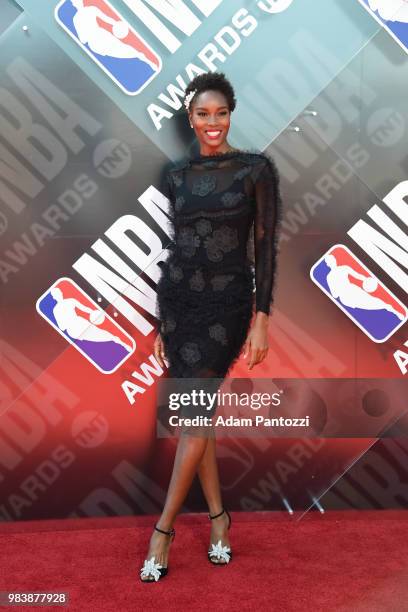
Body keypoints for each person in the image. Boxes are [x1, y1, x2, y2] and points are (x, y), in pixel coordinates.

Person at [140, 72, 283, 582]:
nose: (213, 122)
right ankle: (220, 522)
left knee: (195, 420)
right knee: (199, 423)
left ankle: (163, 532)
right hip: (179, 304)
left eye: (221, 112)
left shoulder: (255, 170)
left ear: (231, 114)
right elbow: (179, 248)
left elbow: (263, 249)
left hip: (226, 305)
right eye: (203, 114)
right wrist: (162, 321)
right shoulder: (176, 176)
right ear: (190, 117)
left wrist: (261, 318)